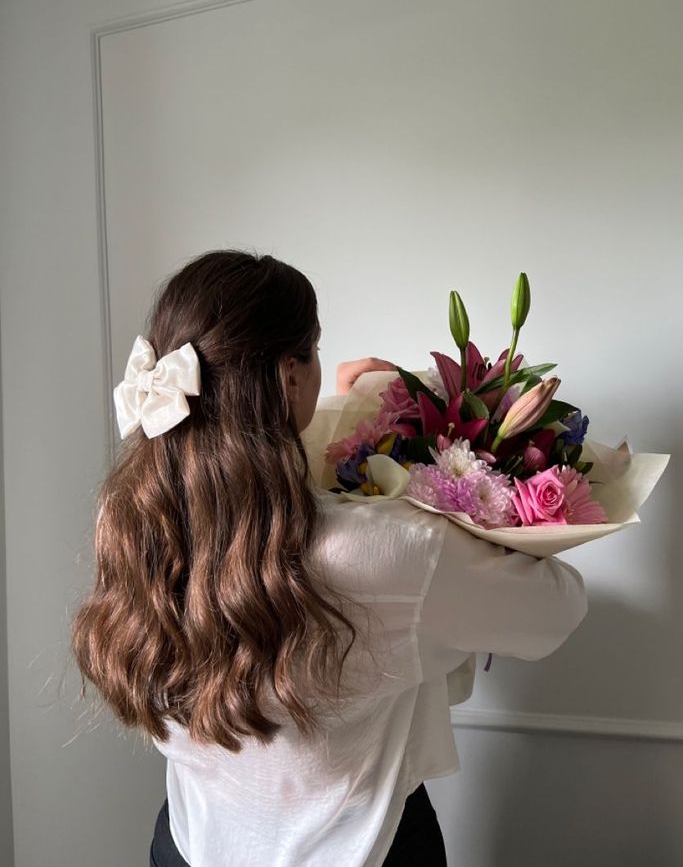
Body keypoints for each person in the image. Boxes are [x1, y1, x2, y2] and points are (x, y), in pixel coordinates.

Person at [71, 248, 588, 867]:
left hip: (188, 845)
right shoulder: (392, 549)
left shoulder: (132, 521)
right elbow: (555, 610)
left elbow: (256, 490)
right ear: (289, 377)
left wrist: (344, 417)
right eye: (311, 351)